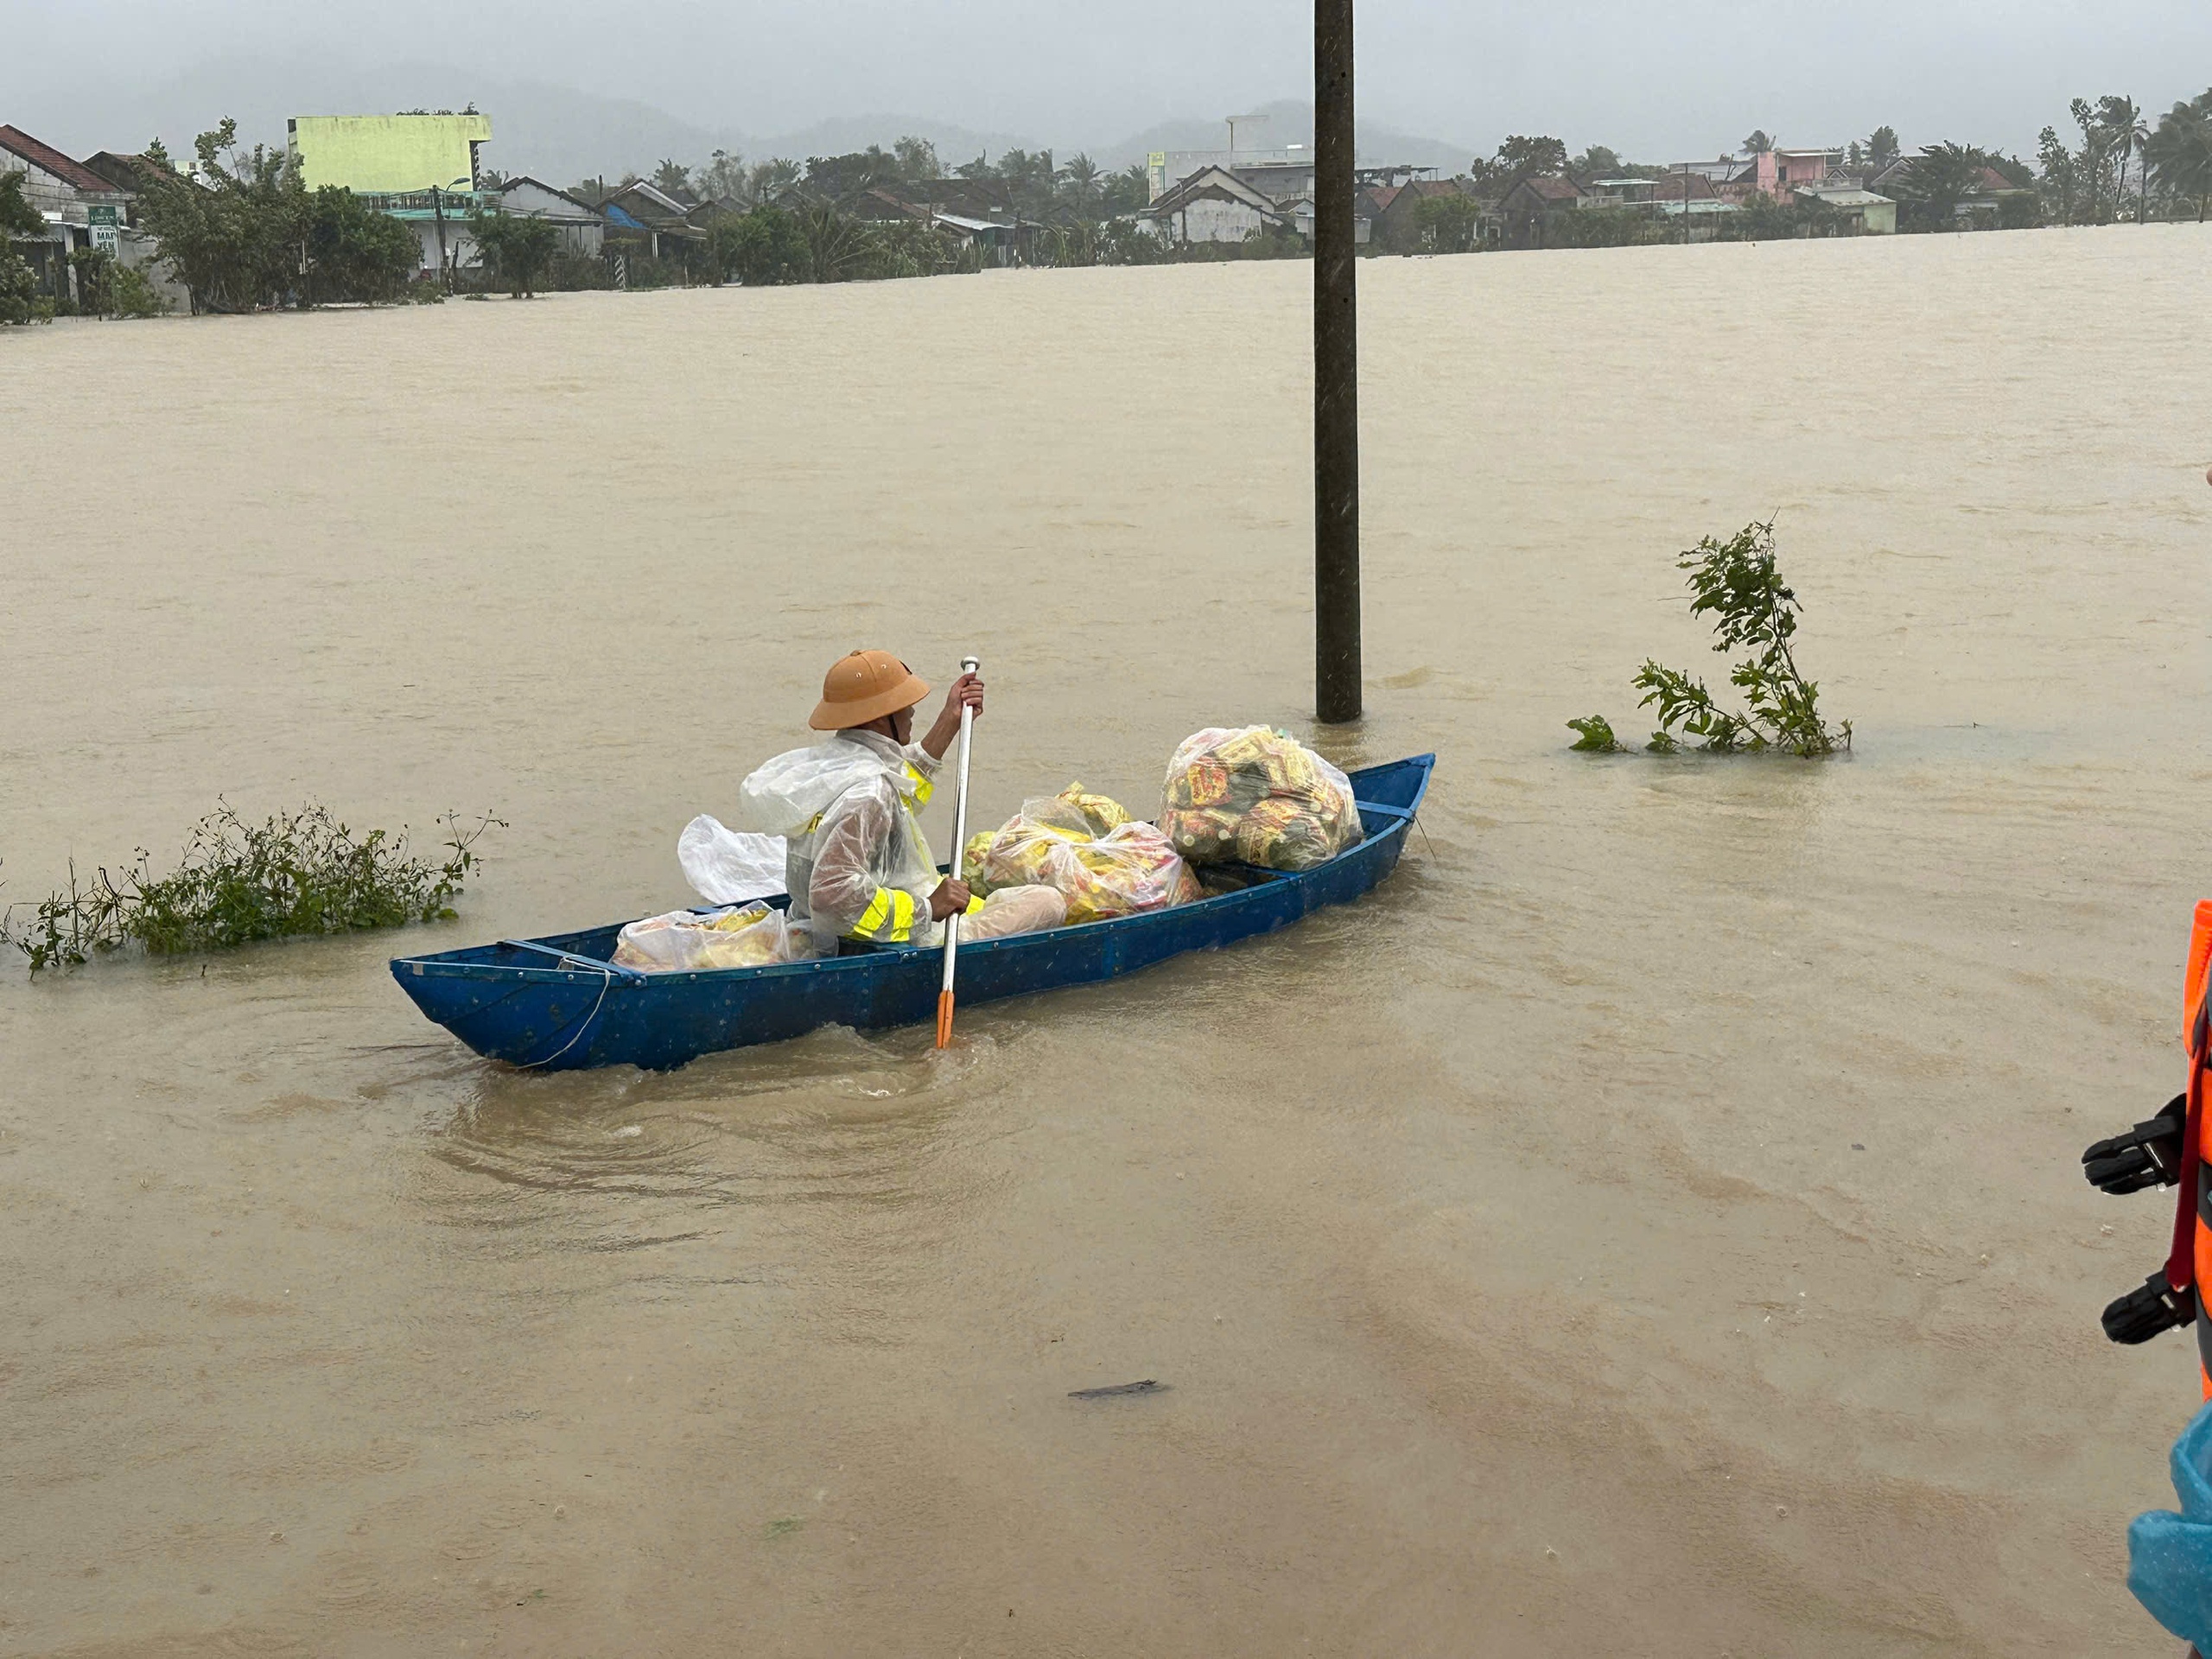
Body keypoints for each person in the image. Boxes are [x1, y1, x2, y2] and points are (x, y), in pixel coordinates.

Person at [742, 650, 1065, 955]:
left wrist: (951, 719)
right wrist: (929, 908)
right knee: (1049, 901)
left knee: (990, 895)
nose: (911, 710)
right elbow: (833, 897)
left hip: (826, 926)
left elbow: (903, 791)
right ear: (881, 717)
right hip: (902, 936)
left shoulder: (834, 767)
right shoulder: (869, 792)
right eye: (903, 704)